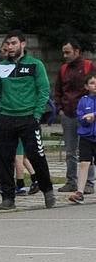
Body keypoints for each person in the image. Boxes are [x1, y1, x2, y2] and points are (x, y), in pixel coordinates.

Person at [0, 30, 55, 211]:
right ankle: (8, 197)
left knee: (36, 156)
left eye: (13, 43)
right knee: (4, 159)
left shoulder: (35, 65)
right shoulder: (0, 67)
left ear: (23, 44)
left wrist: (37, 114)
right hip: (5, 118)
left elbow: (43, 90)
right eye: (8, 44)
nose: (10, 47)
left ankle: (47, 190)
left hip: (28, 118)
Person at [54, 39, 94, 193]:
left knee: (88, 149)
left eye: (68, 52)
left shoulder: (88, 66)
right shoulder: (63, 69)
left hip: (86, 115)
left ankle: (89, 183)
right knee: (70, 150)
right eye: (63, 52)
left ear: (77, 51)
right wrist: (59, 109)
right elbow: (57, 90)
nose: (65, 55)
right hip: (68, 113)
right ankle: (71, 180)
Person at [67, 72, 96, 204]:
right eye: (92, 83)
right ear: (86, 86)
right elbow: (80, 117)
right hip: (86, 137)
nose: (95, 85)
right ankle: (79, 192)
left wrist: (94, 115)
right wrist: (87, 121)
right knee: (84, 163)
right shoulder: (83, 101)